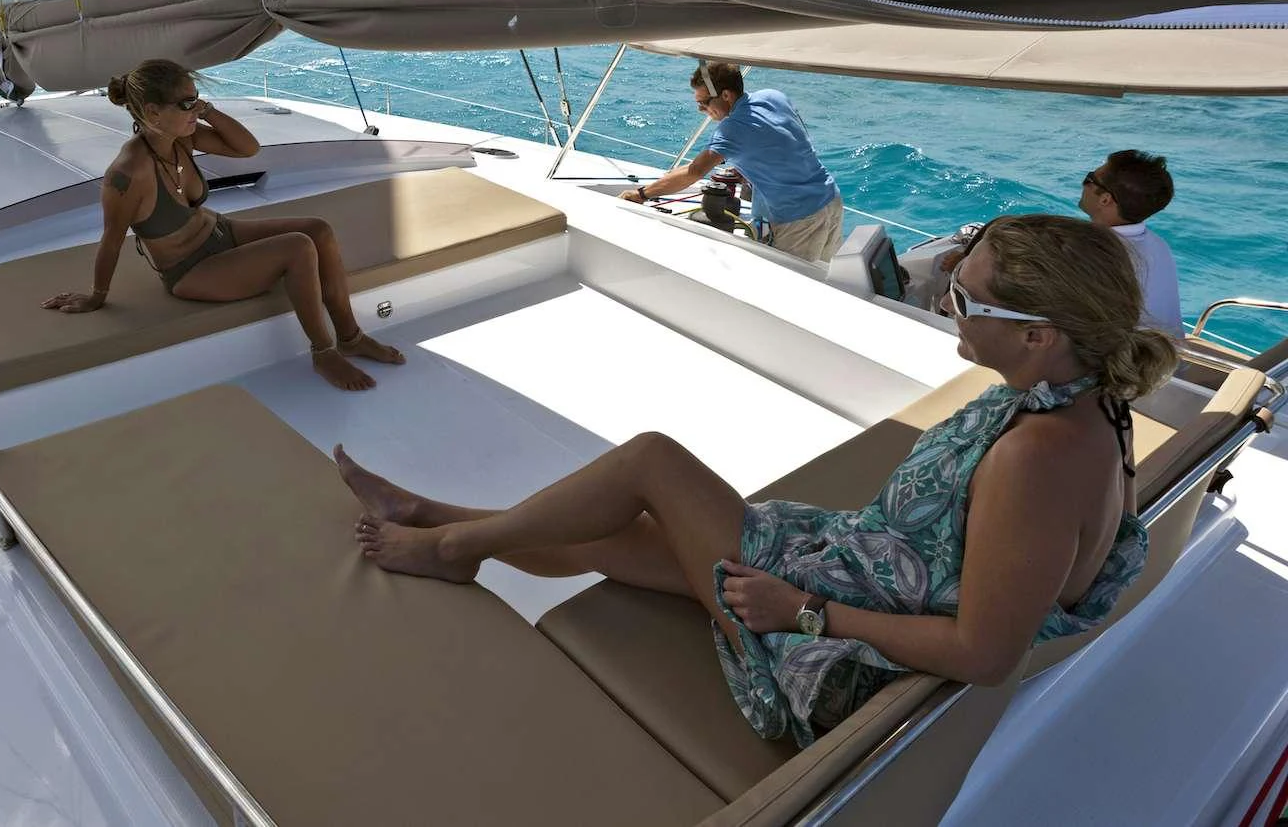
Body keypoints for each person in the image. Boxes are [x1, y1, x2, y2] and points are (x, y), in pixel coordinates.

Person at [335, 213, 1172, 746]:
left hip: (835, 655)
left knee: (650, 461)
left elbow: (987, 653)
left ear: (1037, 337)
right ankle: (443, 520)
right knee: (630, 533)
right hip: (863, 568)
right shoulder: (1082, 402)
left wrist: (804, 611)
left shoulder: (1040, 456)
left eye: (962, 298)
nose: (945, 300)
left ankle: (450, 540)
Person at [42, 59, 405, 392]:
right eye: (186, 104)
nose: (195, 109)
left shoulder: (183, 138)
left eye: (197, 99)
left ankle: (350, 336)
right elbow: (112, 238)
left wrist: (209, 111)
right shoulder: (127, 173)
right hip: (191, 270)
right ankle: (323, 351)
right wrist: (96, 296)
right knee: (297, 246)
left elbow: (248, 148)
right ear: (153, 112)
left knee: (318, 229)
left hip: (220, 233)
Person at [623, 62, 844, 266]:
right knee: (823, 277)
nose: (702, 110)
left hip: (798, 219)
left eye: (703, 103)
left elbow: (694, 172)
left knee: (786, 288)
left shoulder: (733, 128)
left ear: (726, 95)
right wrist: (749, 166)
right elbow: (787, 138)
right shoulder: (772, 96)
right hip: (830, 199)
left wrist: (642, 194)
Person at [1080, 149, 1183, 337]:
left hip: (1128, 363)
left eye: (1089, 179)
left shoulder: (1094, 253)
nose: (1083, 184)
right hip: (1168, 359)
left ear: (1105, 199)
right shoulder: (1158, 244)